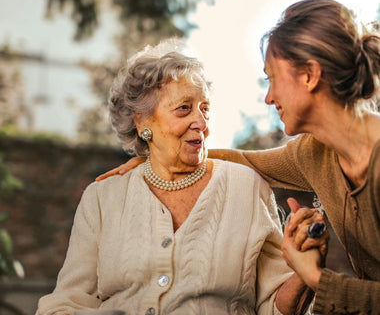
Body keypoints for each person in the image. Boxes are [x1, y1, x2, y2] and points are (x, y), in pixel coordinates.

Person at [97, 0, 380, 314]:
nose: (269, 97)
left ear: (310, 75)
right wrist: (161, 155)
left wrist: (315, 277)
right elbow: (247, 160)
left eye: (272, 78)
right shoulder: (314, 154)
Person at [36, 40, 318, 315]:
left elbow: (274, 306)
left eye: (204, 109)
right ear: (142, 121)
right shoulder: (102, 198)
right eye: (184, 108)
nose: (202, 123)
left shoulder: (247, 187)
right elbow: (67, 303)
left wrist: (305, 273)